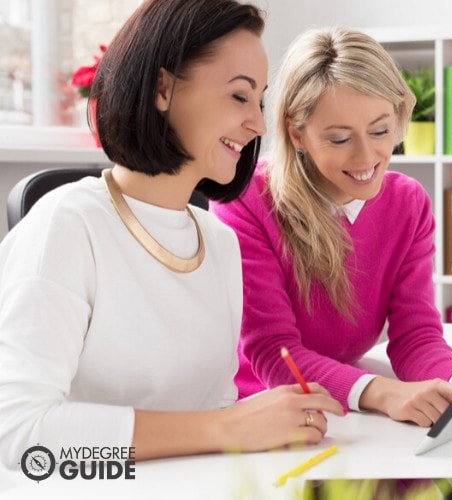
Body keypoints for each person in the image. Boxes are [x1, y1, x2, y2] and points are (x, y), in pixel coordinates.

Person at [0, 0, 343, 473]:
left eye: (260, 101)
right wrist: (229, 428)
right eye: (239, 96)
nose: (258, 124)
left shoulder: (217, 242)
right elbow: (18, 435)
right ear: (163, 88)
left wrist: (264, 425)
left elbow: (216, 412)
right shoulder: (68, 225)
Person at [211, 26, 452, 428]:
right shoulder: (246, 199)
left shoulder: (408, 203)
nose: (367, 157)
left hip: (349, 406)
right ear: (297, 133)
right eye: (338, 139)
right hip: (260, 410)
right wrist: (382, 393)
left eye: (381, 131)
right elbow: (273, 352)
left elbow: (416, 336)